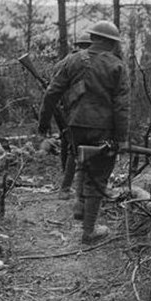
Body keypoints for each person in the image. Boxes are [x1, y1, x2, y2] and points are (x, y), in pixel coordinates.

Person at [38, 21, 130, 245]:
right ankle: (89, 232)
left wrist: (43, 124)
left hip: (75, 125)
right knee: (98, 177)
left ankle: (80, 204)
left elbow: (52, 93)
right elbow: (122, 106)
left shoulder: (72, 60)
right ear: (110, 42)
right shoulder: (116, 66)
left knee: (80, 160)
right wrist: (122, 139)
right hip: (103, 129)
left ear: (93, 38)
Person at [57, 33, 93, 200]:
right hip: (78, 112)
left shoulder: (64, 61)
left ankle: (67, 187)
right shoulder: (85, 62)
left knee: (70, 147)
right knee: (75, 149)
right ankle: (69, 188)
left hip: (66, 110)